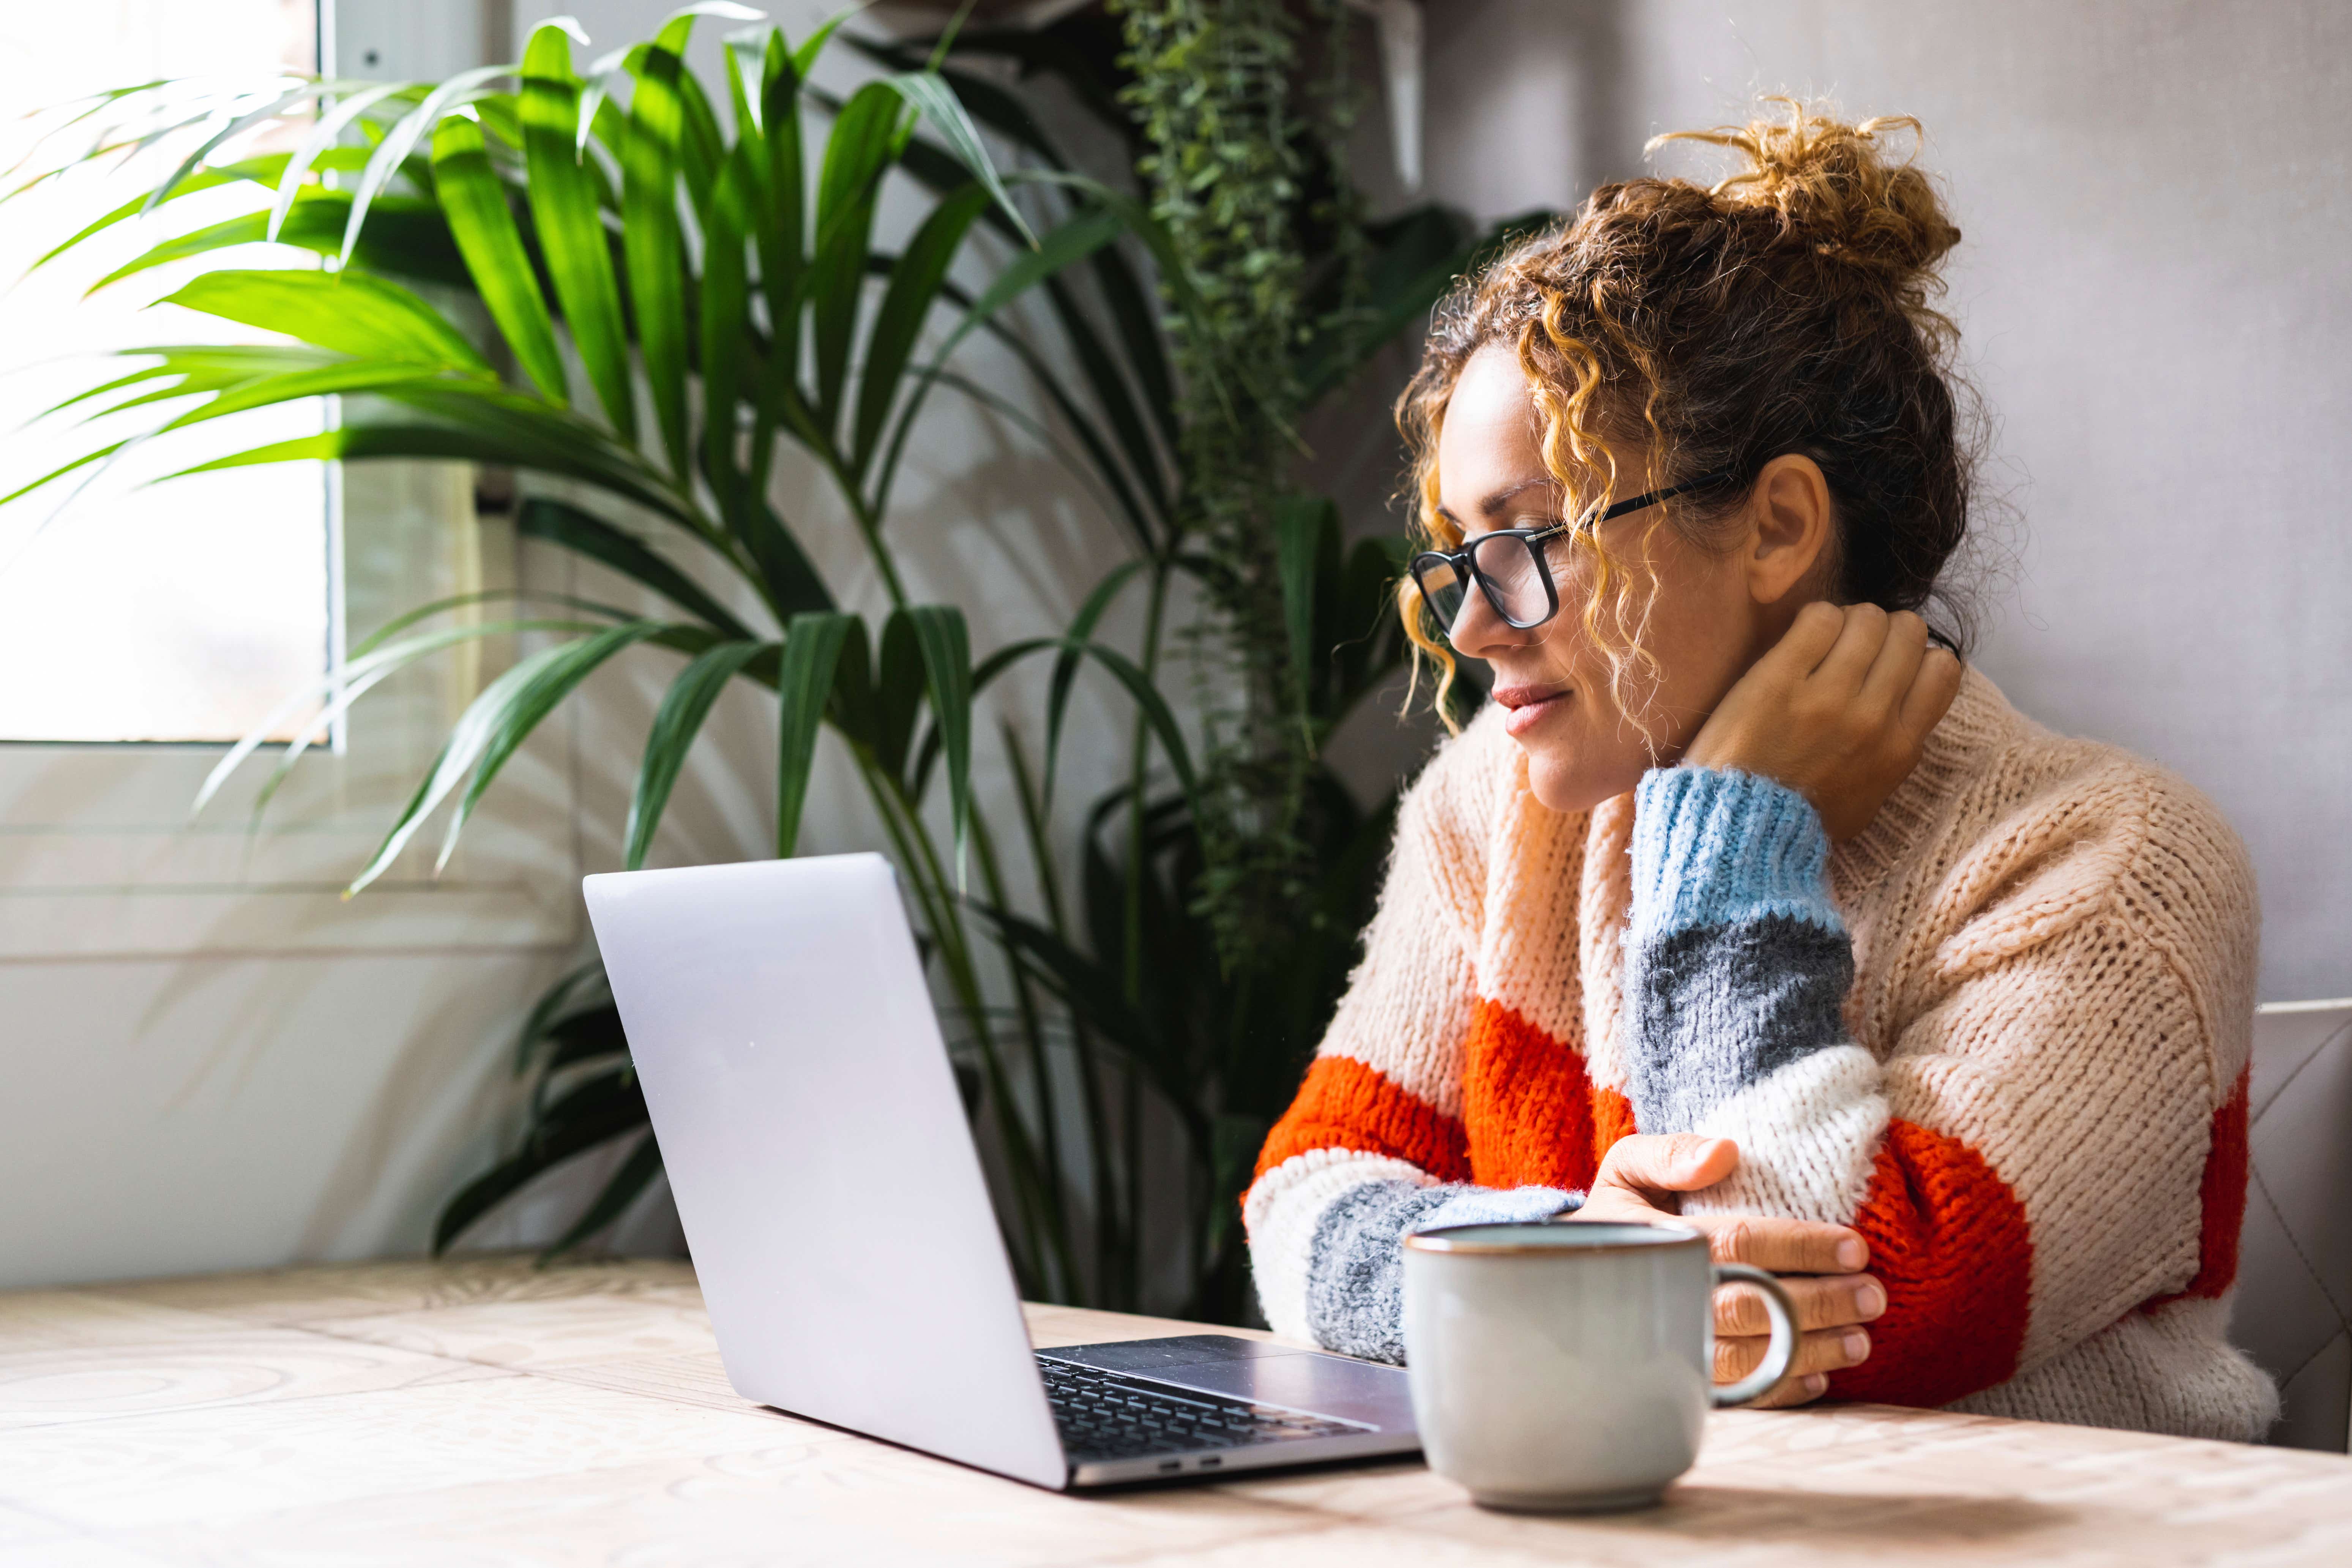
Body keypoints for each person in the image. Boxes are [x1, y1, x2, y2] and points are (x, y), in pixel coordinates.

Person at [1243, 101, 2277, 1440]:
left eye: (1533, 538)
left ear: (1779, 524)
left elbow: (1811, 1327)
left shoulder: (2113, 862)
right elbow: (1301, 1195)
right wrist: (1572, 1254)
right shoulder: (1489, 814)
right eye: (1456, 553)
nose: (1471, 624)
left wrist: (1733, 836)